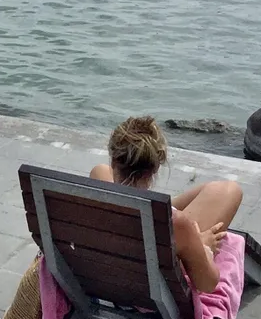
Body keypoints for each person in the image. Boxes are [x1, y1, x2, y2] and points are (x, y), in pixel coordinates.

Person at [90, 116, 242, 293]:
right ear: (156, 167)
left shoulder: (91, 192)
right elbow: (207, 284)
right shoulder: (178, 225)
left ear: (113, 160)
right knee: (230, 189)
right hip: (144, 292)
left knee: (100, 170)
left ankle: (160, 205)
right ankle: (164, 210)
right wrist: (202, 247)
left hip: (104, 274)